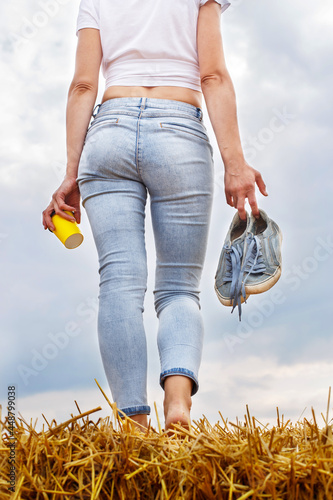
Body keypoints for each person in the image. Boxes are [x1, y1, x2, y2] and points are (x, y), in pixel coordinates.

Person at [42, 0, 267, 431]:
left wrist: (70, 173)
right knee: (179, 288)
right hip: (178, 129)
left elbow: (83, 86)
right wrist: (235, 163)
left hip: (107, 133)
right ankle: (178, 404)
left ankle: (134, 423)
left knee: (120, 283)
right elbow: (212, 75)